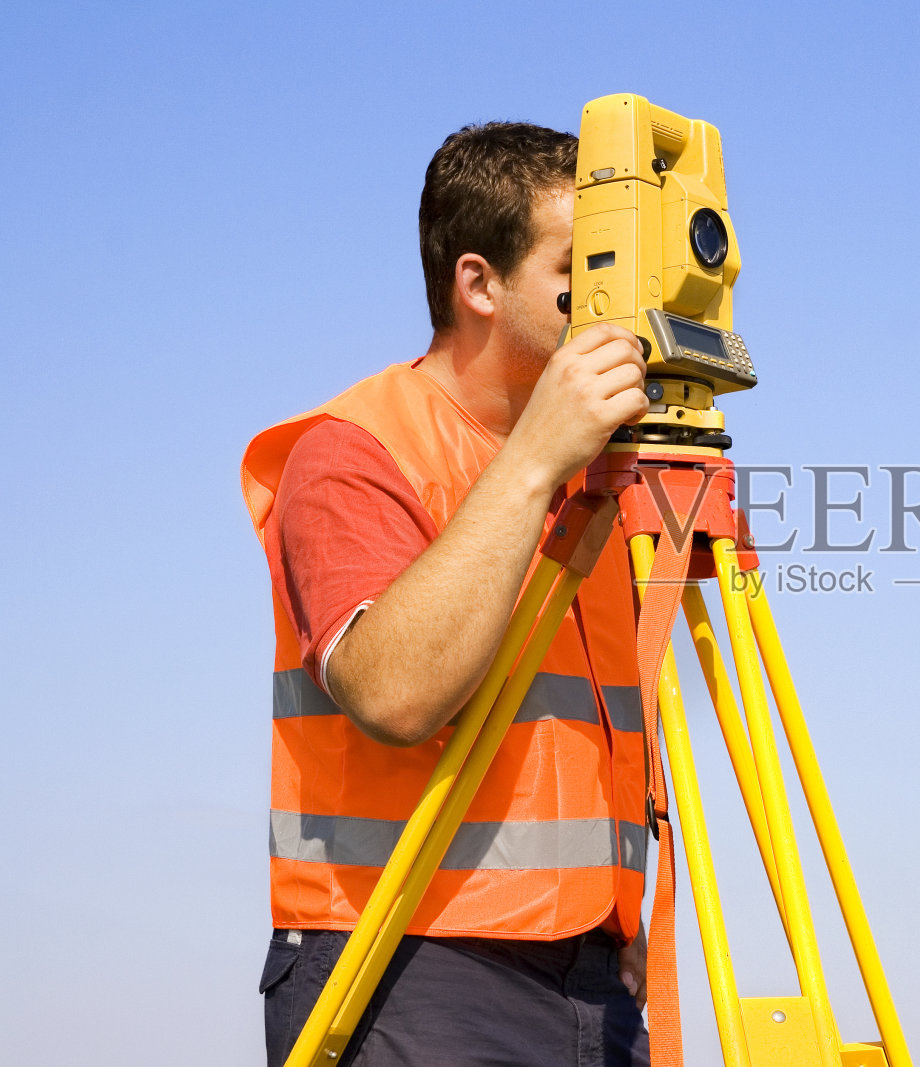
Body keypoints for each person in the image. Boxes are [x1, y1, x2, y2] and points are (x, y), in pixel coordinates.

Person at [240, 122, 653, 1066]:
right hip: (401, 961)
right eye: (581, 267)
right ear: (479, 284)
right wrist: (535, 463)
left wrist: (626, 923)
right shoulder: (352, 450)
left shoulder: (605, 479)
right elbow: (394, 694)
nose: (615, 304)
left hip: (591, 969)